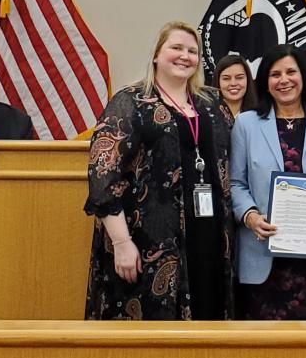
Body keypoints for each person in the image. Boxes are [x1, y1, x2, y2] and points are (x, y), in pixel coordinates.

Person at [84, 21, 235, 320]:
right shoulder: (131, 101)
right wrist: (122, 243)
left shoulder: (213, 102)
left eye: (192, 51)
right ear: (156, 55)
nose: (185, 56)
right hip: (147, 242)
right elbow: (103, 177)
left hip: (208, 234)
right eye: (176, 48)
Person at [230, 44, 306, 320]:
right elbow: (235, 182)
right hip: (263, 253)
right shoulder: (246, 124)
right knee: (262, 348)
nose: (284, 80)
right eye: (275, 74)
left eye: (291, 72)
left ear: (303, 77)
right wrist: (250, 216)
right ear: (265, 83)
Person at [213, 54, 259, 127]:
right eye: (226, 78)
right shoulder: (207, 115)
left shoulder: (260, 115)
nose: (233, 83)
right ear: (218, 81)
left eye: (239, 77)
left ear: (248, 80)